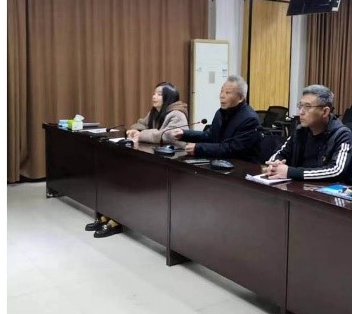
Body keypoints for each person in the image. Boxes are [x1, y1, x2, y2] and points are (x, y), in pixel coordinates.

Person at [90, 83, 189, 238]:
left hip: (171, 166)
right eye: (154, 93)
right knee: (114, 174)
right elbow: (140, 124)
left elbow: (167, 135)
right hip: (152, 159)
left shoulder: (177, 114)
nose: (154, 96)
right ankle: (110, 213)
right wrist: (134, 130)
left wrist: (141, 135)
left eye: (159, 94)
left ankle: (117, 219)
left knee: (128, 180)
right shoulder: (155, 112)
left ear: (168, 97)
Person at [260, 84, 352, 185]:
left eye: (307, 107)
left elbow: (336, 170)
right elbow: (281, 152)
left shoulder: (342, 134)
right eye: (300, 106)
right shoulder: (300, 131)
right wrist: (274, 165)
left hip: (333, 191)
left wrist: (290, 172)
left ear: (325, 112)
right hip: (302, 188)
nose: (301, 112)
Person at [169, 75, 262, 160]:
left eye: (228, 93)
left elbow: (232, 148)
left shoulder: (249, 120)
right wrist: (184, 134)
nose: (222, 96)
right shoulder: (221, 113)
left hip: (243, 167)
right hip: (221, 162)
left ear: (241, 98)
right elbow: (210, 136)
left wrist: (199, 148)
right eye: (221, 91)